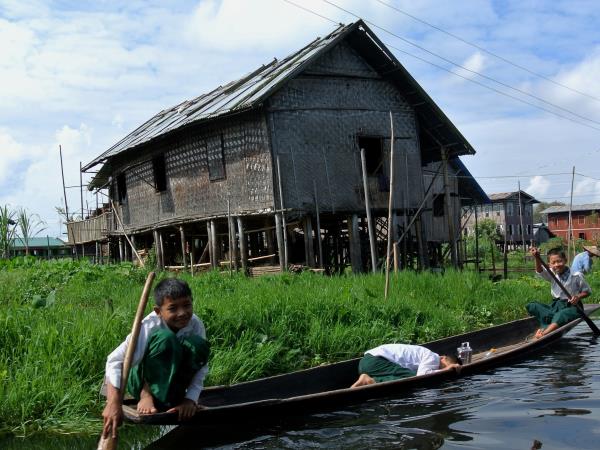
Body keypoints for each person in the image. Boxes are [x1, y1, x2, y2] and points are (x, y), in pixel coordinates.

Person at [102, 278, 210, 439]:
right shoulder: (148, 326)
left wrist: (190, 399)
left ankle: (174, 397)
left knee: (199, 345)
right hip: (139, 379)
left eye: (187, 305)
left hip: (173, 382)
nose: (182, 313)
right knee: (166, 339)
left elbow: (201, 366)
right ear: (158, 311)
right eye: (173, 308)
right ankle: (148, 395)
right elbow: (114, 361)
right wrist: (113, 402)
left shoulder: (195, 323)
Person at [527, 247, 591, 339]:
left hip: (572, 306)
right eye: (553, 263)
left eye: (559, 261)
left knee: (561, 315)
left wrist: (578, 296)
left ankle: (543, 334)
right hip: (556, 306)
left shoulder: (576, 275)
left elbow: (587, 291)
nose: (557, 265)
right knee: (532, 305)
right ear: (549, 264)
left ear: (565, 260)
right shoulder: (551, 273)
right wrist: (537, 258)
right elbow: (540, 271)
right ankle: (549, 321)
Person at [350, 344, 462, 388]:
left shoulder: (423, 354)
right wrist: (446, 370)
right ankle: (369, 381)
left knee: (407, 375)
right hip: (375, 362)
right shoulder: (433, 357)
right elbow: (422, 376)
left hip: (365, 363)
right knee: (414, 380)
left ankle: (369, 379)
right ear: (443, 358)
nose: (441, 369)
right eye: (444, 366)